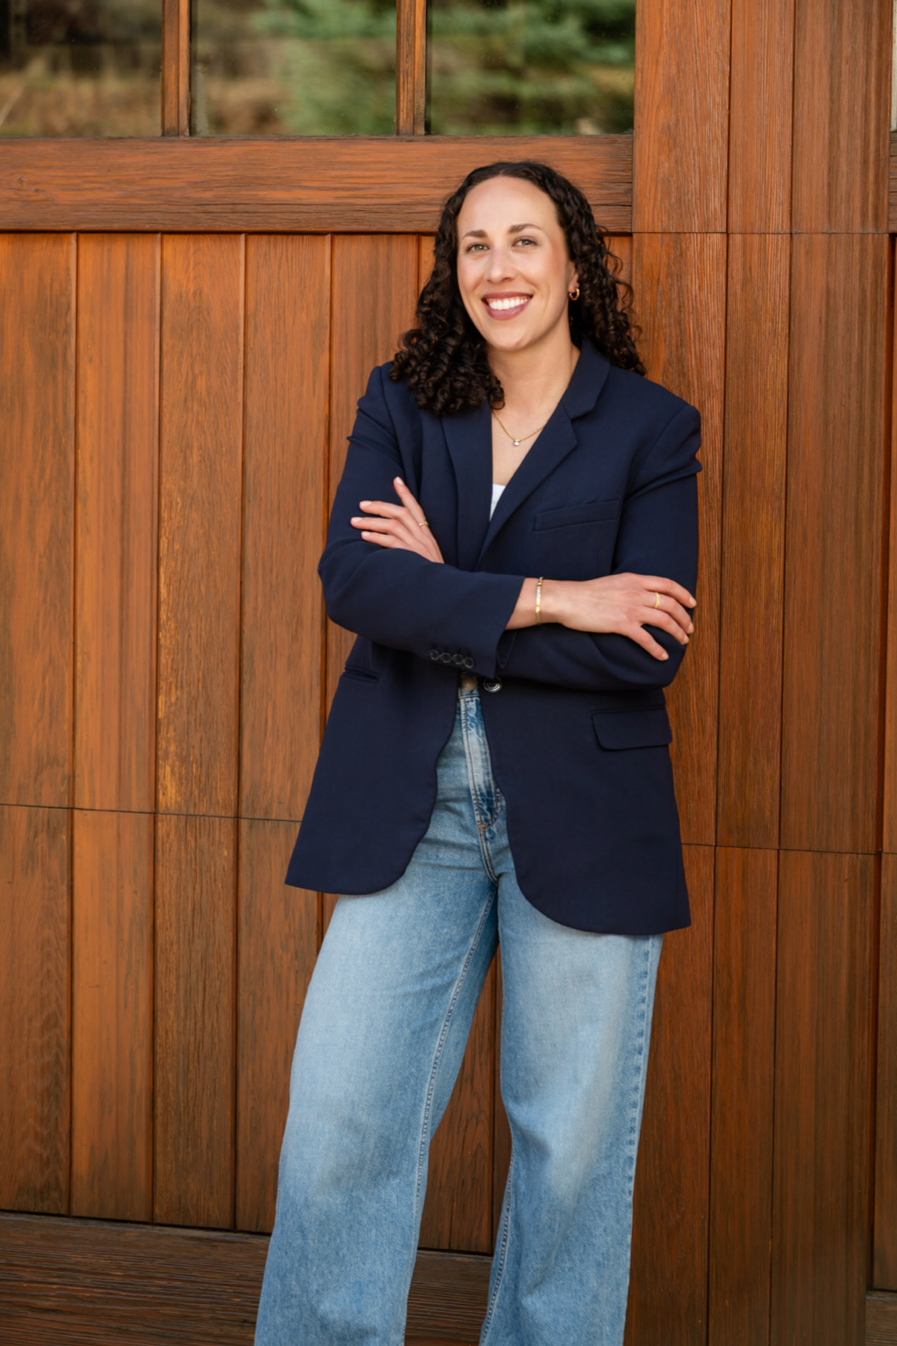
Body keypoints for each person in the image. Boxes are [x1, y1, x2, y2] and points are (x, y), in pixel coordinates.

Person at [254, 159, 701, 1346]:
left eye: (525, 240)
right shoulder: (404, 402)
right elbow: (357, 583)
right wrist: (559, 596)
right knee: (341, 1115)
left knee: (570, 1149)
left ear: (575, 264)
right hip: (411, 802)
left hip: (587, 811)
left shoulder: (652, 426)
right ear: (454, 271)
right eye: (475, 245)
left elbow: (647, 644)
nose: (499, 268)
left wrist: (444, 587)